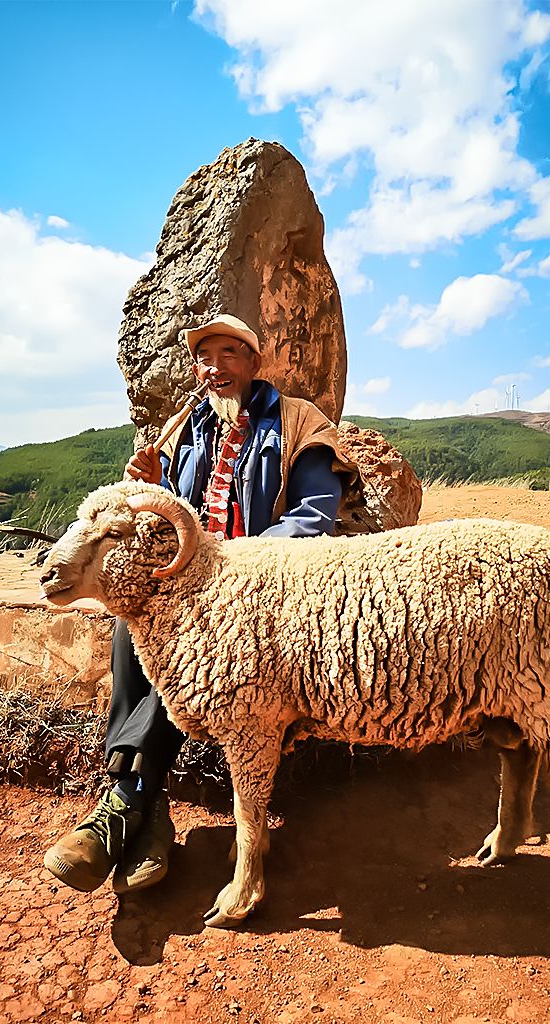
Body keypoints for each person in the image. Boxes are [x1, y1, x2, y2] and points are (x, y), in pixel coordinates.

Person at [44, 313, 351, 895]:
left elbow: (315, 513)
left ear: (254, 362)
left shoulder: (299, 421)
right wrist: (153, 485)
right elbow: (166, 524)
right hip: (194, 582)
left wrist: (235, 570)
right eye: (206, 358)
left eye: (231, 354)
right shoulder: (183, 430)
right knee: (134, 619)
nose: (217, 368)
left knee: (201, 646)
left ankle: (130, 806)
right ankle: (141, 802)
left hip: (266, 588)